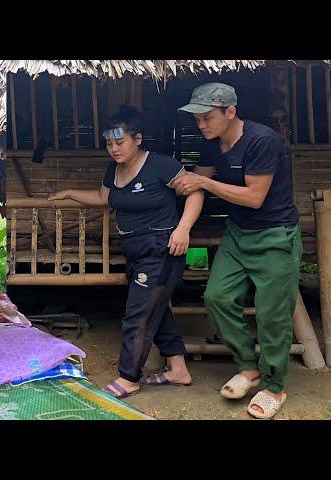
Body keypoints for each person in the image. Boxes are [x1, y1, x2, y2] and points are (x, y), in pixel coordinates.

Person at [48, 105, 204, 399]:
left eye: (120, 142)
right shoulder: (114, 171)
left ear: (138, 138)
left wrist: (183, 228)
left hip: (162, 248)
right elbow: (102, 197)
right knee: (155, 308)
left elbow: (195, 192)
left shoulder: (161, 166)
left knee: (138, 314)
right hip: (135, 251)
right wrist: (70, 192)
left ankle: (128, 377)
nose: (114, 148)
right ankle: (178, 369)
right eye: (109, 143)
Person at [173, 82, 301, 419]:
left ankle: (274, 386)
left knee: (272, 314)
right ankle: (248, 366)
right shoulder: (211, 146)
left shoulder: (262, 140)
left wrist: (203, 182)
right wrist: (183, 221)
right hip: (238, 234)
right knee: (216, 297)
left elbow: (254, 197)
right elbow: (196, 186)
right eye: (197, 119)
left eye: (207, 118)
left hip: (275, 235)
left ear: (231, 112)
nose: (201, 125)